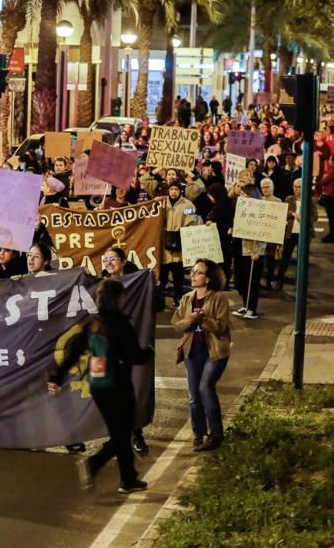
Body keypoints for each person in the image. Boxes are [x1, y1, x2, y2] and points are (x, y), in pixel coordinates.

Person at [48, 280, 154, 493]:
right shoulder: (121, 325)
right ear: (118, 299)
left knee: (119, 432)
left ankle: (128, 478)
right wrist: (148, 352)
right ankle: (94, 464)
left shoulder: (92, 323)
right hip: (118, 386)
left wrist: (57, 377)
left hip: (97, 386)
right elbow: (133, 356)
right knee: (122, 434)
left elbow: (73, 351)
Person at [172, 259, 231, 451]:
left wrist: (203, 319)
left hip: (214, 352)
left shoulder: (219, 298)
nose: (193, 275)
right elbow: (176, 324)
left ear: (208, 278)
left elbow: (221, 327)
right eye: (192, 272)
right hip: (192, 351)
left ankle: (216, 434)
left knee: (206, 387)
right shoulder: (187, 298)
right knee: (194, 396)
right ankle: (198, 434)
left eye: (198, 272)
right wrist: (191, 319)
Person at [100, 245, 151, 454]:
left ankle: (136, 434)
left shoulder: (136, 282)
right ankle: (116, 444)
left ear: (122, 261)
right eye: (105, 260)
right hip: (108, 353)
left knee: (134, 391)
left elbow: (152, 305)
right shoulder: (100, 284)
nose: (109, 263)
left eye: (112, 259)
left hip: (128, 348)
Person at [159, 183, 197, 310]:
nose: (173, 191)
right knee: (162, 275)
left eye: (176, 189)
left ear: (180, 190)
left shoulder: (188, 205)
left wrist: (185, 233)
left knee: (178, 274)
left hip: (179, 244)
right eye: (171, 189)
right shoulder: (161, 203)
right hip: (164, 244)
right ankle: (160, 299)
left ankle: (177, 297)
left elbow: (192, 220)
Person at [319, 154, 334, 243]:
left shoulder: (333, 171)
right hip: (333, 195)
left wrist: (316, 183)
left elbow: (323, 181)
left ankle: (332, 236)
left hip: (329, 196)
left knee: (330, 216)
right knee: (331, 216)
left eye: (331, 160)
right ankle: (332, 235)